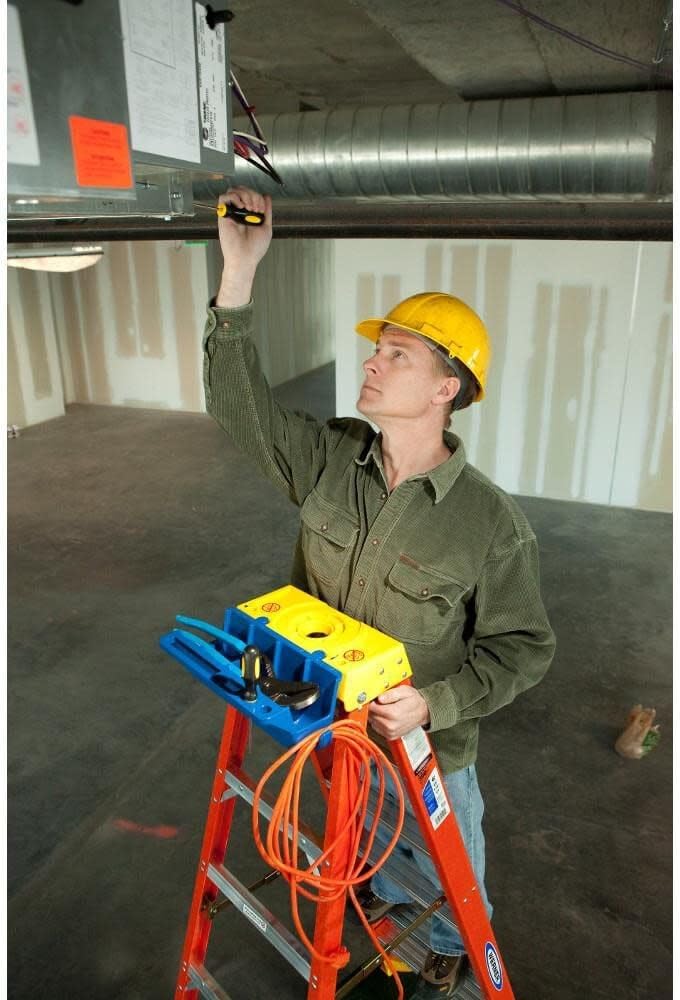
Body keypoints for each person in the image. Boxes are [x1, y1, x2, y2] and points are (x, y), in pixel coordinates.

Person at [203, 185, 556, 998]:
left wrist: (433, 703)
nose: (372, 360)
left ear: (446, 389)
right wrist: (238, 274)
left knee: (446, 888)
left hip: (424, 751)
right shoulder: (331, 458)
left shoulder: (488, 524)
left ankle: (444, 962)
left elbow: (524, 648)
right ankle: (386, 937)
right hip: (333, 729)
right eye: (378, 348)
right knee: (362, 847)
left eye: (398, 354)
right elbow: (238, 407)